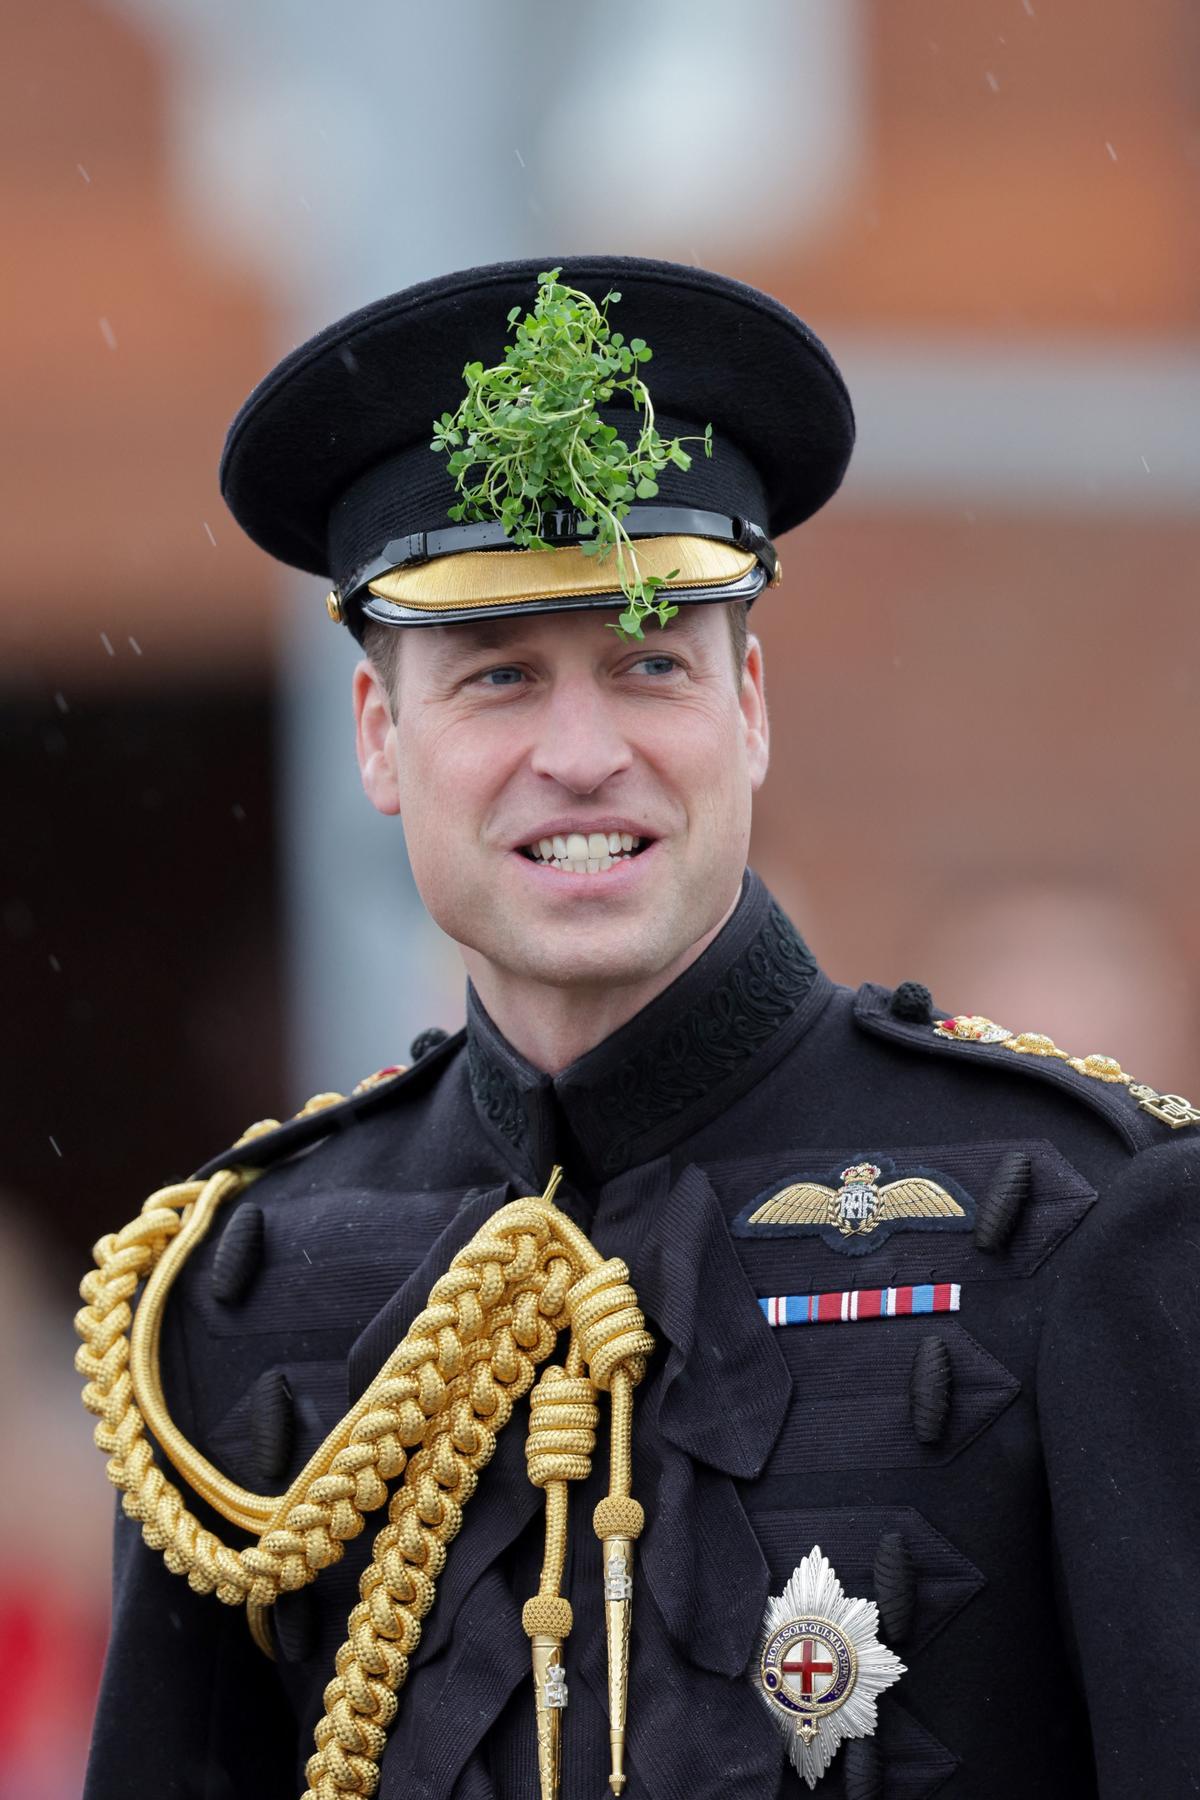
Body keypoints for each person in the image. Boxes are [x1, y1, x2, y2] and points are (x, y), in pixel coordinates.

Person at [75, 256, 1200, 1800]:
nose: (582, 754)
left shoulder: (1084, 1219)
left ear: (748, 703)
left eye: (647, 663)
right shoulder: (234, 1287)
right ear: (381, 739)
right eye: (497, 680)